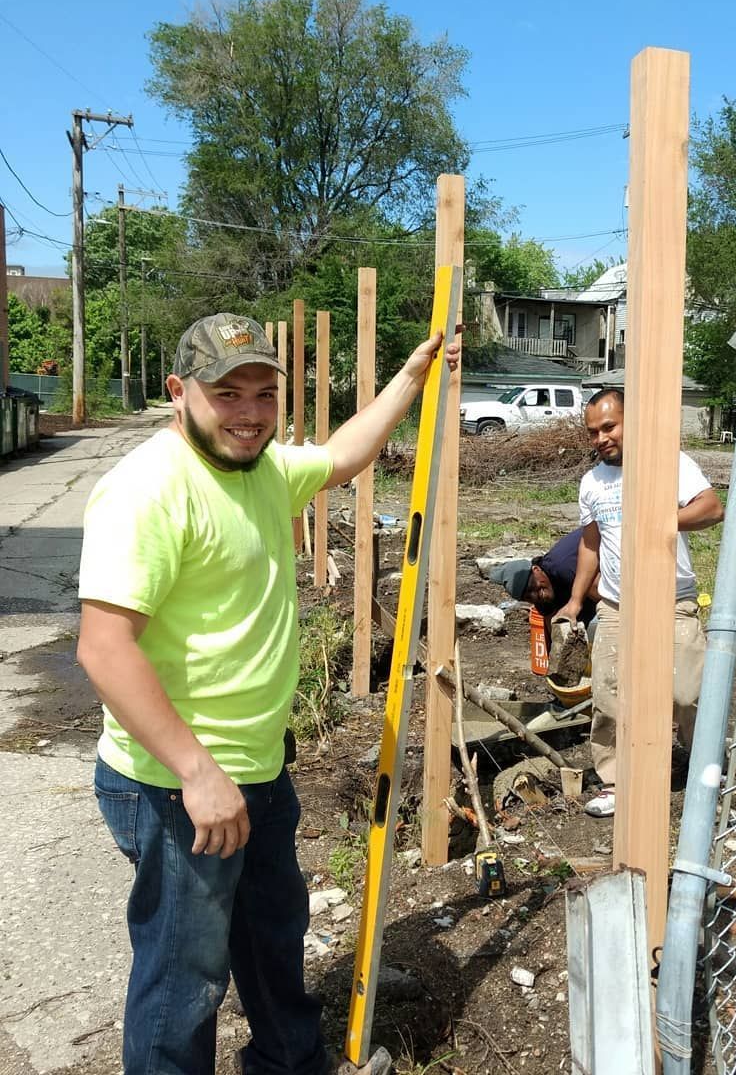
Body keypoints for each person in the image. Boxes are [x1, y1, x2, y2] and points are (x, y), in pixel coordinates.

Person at [77, 313, 459, 1075]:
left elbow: (347, 452)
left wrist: (412, 379)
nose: (250, 413)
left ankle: (292, 1065)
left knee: (273, 940)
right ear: (178, 392)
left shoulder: (266, 470)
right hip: (176, 787)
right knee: (183, 982)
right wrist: (197, 773)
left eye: (263, 393)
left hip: (255, 772)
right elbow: (103, 647)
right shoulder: (148, 490)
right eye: (228, 394)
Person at [556, 388, 724, 818]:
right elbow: (590, 544)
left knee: (687, 694)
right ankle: (616, 781)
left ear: (632, 422)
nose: (600, 438)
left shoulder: (667, 463)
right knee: (610, 697)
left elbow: (712, 508)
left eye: (609, 427)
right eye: (593, 432)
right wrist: (576, 601)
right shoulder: (592, 482)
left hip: (673, 600)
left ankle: (707, 769)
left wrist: (659, 521)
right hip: (616, 605)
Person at [491, 528, 600, 644]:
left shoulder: (564, 568)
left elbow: (611, 599)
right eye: (528, 597)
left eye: (532, 587)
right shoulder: (541, 598)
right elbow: (552, 631)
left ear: (536, 570)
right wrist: (553, 657)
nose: (536, 595)